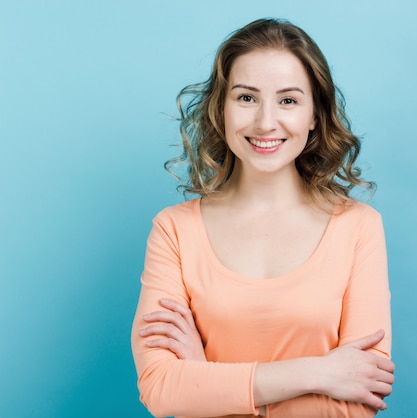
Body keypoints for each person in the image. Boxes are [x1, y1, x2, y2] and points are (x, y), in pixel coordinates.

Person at [131, 18, 394, 418]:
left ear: (314, 116)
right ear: (221, 108)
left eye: (288, 100)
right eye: (246, 98)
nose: (265, 122)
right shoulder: (174, 230)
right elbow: (162, 388)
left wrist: (207, 379)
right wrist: (318, 372)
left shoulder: (358, 227)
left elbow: (359, 398)